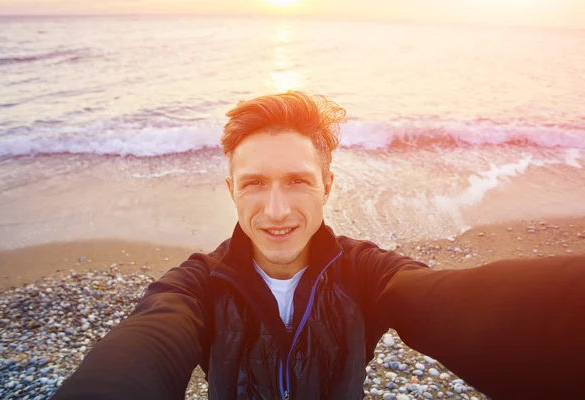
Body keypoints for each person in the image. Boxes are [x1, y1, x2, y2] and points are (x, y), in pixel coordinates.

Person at [51, 92, 585, 400]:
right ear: (231, 191)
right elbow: (143, 347)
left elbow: (458, 302)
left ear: (327, 186)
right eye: (255, 183)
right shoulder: (197, 285)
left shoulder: (364, 273)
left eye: (298, 181)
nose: (277, 210)